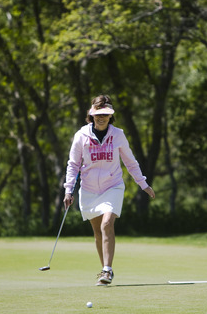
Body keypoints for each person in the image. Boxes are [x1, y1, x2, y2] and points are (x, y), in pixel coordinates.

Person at [63, 94, 155, 286]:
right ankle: (104, 269)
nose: (101, 117)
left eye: (105, 114)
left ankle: (107, 270)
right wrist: (68, 190)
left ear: (110, 116)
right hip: (88, 190)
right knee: (98, 232)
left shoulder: (118, 135)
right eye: (98, 114)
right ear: (92, 114)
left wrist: (143, 184)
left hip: (112, 186)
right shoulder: (81, 136)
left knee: (107, 224)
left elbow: (130, 162)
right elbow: (73, 164)